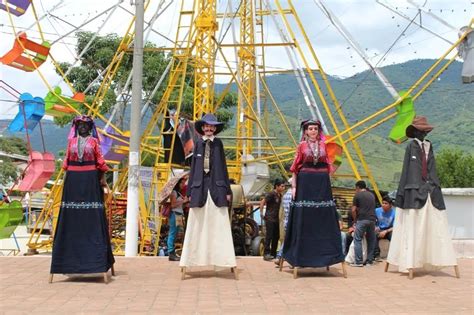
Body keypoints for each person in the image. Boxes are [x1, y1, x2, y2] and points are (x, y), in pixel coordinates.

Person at [387, 116, 458, 277]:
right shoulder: (411, 146)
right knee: (412, 225)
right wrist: (402, 193)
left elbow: (432, 168)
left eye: (425, 131)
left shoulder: (429, 146)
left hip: (429, 189)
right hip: (413, 189)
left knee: (437, 224)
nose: (423, 134)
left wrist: (434, 185)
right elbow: (406, 170)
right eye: (421, 131)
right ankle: (410, 260)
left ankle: (432, 257)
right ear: (415, 132)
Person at [50, 115, 114, 280]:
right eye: (80, 125)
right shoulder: (70, 143)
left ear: (90, 127)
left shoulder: (94, 142)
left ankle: (96, 261)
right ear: (76, 126)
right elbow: (65, 164)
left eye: (85, 125)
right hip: (73, 181)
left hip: (90, 180)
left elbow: (100, 162)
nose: (82, 127)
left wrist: (102, 177)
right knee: (70, 216)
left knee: (92, 217)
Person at [282, 119, 344, 270]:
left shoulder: (324, 145)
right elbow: (295, 168)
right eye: (310, 129)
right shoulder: (302, 146)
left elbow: (330, 165)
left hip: (322, 183)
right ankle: (299, 255)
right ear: (305, 131)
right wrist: (294, 187)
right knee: (304, 215)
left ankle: (326, 254)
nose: (313, 131)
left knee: (323, 215)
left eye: (315, 129)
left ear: (318, 131)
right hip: (306, 183)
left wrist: (328, 181)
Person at [179, 113, 236, 276]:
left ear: (215, 128)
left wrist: (227, 190)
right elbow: (193, 169)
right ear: (202, 128)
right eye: (206, 126)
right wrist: (189, 191)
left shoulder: (218, 144)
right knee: (195, 225)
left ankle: (224, 259)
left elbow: (224, 168)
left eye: (212, 126)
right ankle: (191, 260)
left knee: (220, 224)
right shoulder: (197, 144)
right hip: (199, 189)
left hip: (217, 189)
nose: (209, 128)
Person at [350, 180, 377, 267]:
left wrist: (355, 220)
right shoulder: (371, 195)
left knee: (357, 239)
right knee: (371, 240)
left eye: (355, 188)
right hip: (372, 220)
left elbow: (353, 210)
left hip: (362, 219)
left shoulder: (357, 195)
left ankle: (358, 262)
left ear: (357, 187)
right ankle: (369, 261)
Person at [260, 179, 286, 261]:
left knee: (276, 237)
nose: (283, 188)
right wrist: (261, 213)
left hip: (277, 219)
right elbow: (263, 202)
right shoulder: (271, 194)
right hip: (270, 218)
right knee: (269, 236)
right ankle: (266, 254)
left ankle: (273, 254)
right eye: (282, 186)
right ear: (277, 186)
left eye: (284, 186)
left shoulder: (280, 195)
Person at [167, 177, 189, 261]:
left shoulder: (179, 193)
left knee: (176, 233)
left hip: (179, 215)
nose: (183, 185)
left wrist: (184, 203)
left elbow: (179, 205)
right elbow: (172, 205)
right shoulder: (174, 192)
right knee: (172, 233)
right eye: (182, 183)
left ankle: (172, 253)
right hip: (175, 214)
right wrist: (183, 201)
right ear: (178, 183)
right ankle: (171, 253)